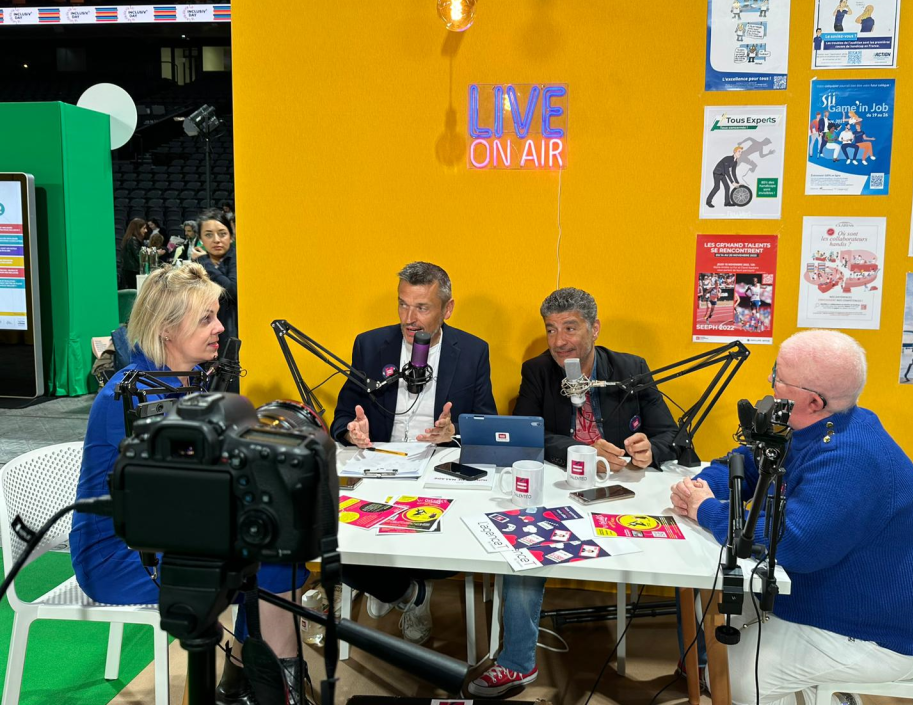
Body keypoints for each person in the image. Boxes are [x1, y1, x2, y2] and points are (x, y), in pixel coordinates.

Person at [70, 263, 312, 705]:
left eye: (218, 315)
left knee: (280, 550)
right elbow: (171, 501)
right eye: (206, 319)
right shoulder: (127, 397)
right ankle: (270, 689)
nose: (220, 327)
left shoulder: (193, 380)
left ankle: (244, 684)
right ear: (166, 329)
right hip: (119, 553)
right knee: (276, 562)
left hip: (175, 536)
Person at [671, 330, 913, 705]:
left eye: (779, 377)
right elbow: (748, 464)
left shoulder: (850, 457)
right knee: (722, 612)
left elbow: (795, 543)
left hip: (881, 633)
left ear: (813, 401)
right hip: (837, 593)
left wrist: (707, 511)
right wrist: (700, 487)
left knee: (740, 676)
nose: (770, 382)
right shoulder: (820, 427)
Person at [469, 287, 677, 697]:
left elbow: (671, 433)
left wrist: (649, 449)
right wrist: (581, 450)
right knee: (522, 543)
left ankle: (699, 663)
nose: (559, 340)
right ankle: (517, 663)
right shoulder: (538, 371)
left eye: (570, 327)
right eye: (550, 329)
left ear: (594, 328)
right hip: (561, 486)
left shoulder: (630, 369)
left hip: (626, 491)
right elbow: (527, 435)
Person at [330, 261, 497, 644]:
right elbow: (343, 413)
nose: (410, 318)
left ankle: (393, 586)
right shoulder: (370, 345)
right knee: (330, 536)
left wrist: (455, 432)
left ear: (447, 309)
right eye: (403, 305)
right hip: (378, 463)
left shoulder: (472, 351)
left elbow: (485, 420)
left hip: (438, 465)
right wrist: (351, 431)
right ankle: (404, 593)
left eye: (422, 308)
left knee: (441, 535)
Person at [193, 210, 237, 376]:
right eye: (209, 235)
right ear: (201, 239)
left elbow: (231, 290)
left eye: (222, 233)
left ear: (231, 236)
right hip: (202, 339)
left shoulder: (239, 259)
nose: (217, 240)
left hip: (231, 337)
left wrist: (204, 262)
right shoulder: (195, 266)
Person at [119, 218, 149, 290]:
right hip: (132, 273)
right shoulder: (133, 240)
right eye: (144, 228)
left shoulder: (131, 239)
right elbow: (139, 257)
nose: (146, 230)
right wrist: (149, 253)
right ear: (137, 229)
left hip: (130, 272)